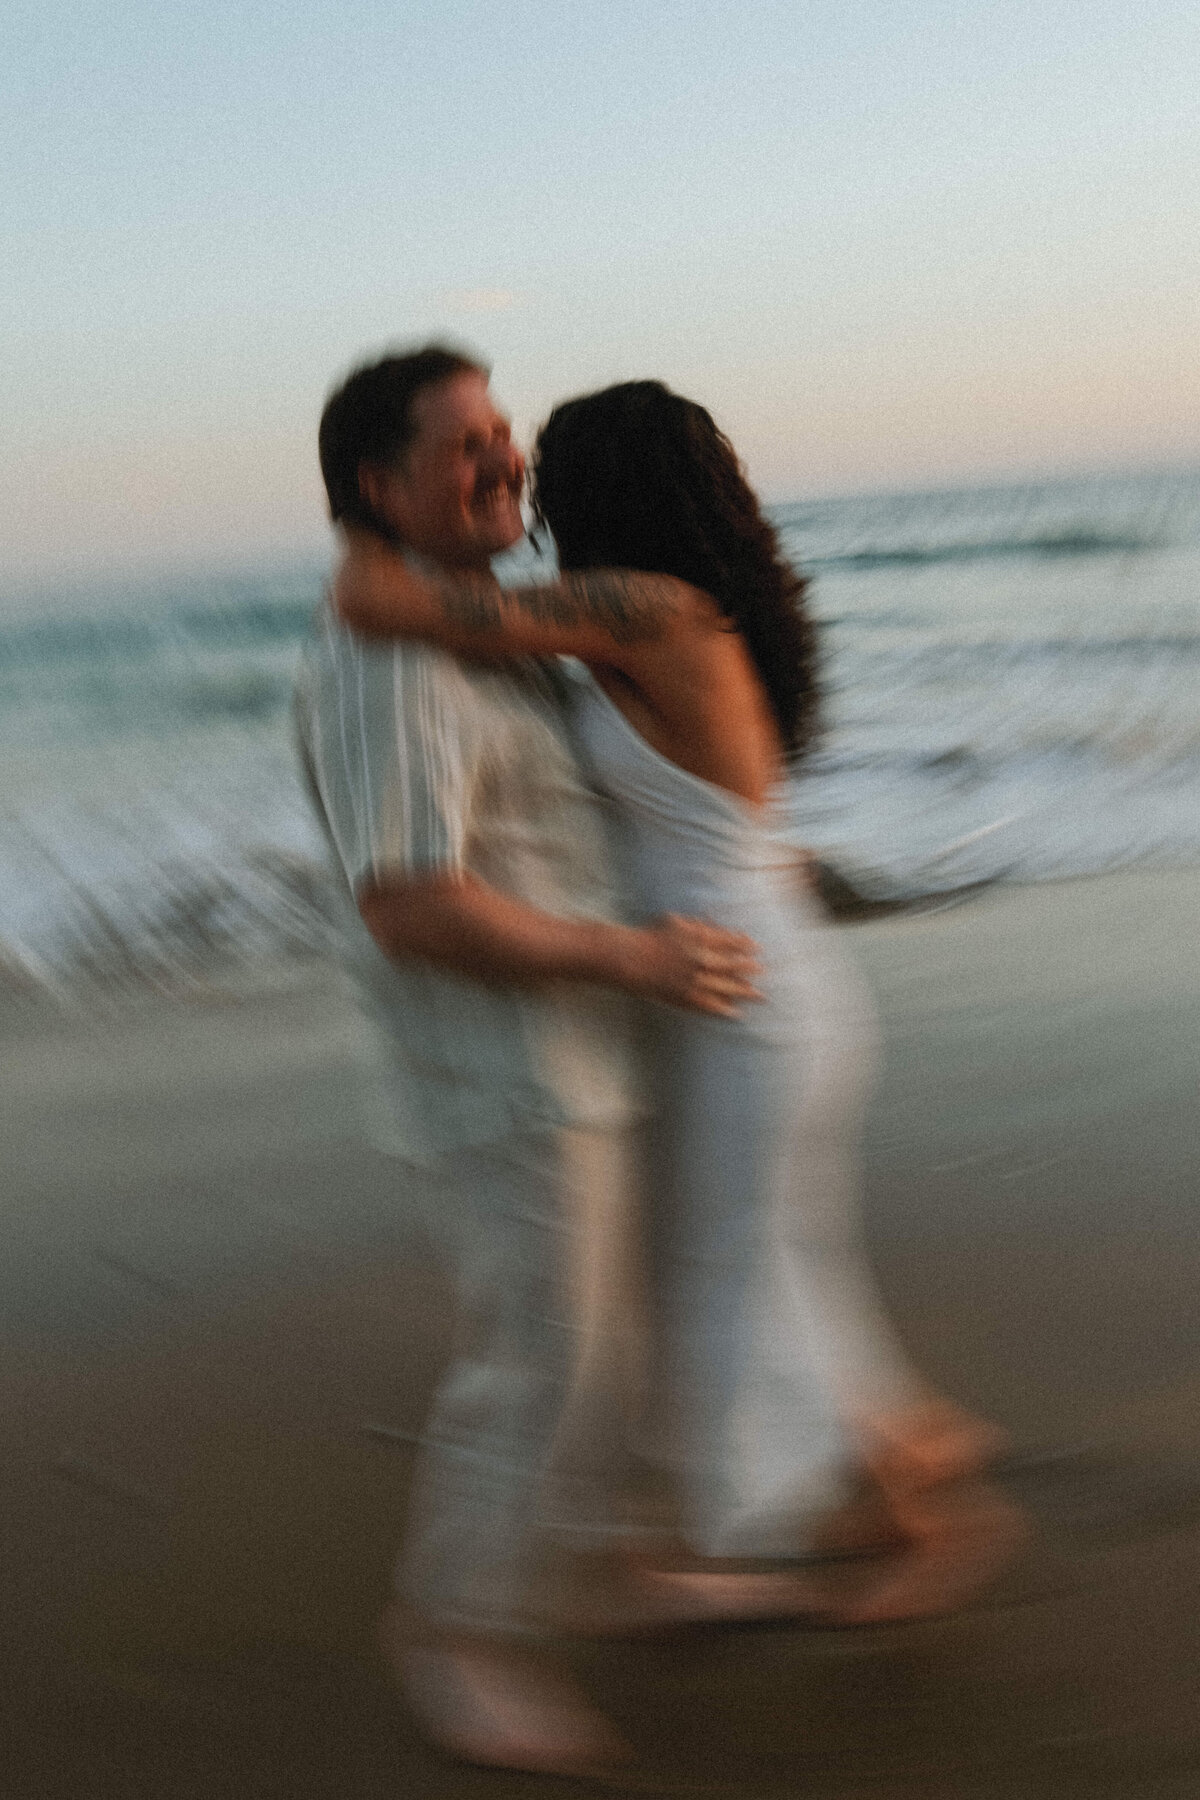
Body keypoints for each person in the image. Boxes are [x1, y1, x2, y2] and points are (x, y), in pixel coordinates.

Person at [334, 377, 1024, 1629]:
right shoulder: (674, 612)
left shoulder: (641, 607)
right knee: (776, 1275)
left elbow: (383, 599)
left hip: (742, 1002)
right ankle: (906, 1477)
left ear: (607, 485)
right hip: (763, 986)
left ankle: (930, 1504)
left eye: (539, 463)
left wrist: (373, 507)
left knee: (742, 1282)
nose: (524, 485)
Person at [296, 348, 815, 1778]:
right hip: (500, 1078)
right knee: (536, 1360)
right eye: (465, 446)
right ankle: (458, 1633)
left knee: (601, 1347)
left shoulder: (469, 628)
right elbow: (409, 904)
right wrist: (635, 961)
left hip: (575, 1060)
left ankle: (591, 1569)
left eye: (505, 435)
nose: (505, 462)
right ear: (376, 485)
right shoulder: (392, 661)